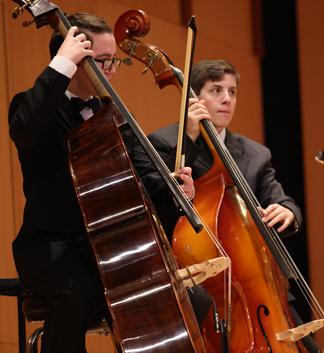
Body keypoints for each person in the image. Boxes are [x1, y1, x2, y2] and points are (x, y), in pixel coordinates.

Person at [8, 12, 195, 353]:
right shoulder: (33, 108)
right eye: (102, 61)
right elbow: (26, 128)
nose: (111, 70)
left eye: (114, 62)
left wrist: (177, 191)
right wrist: (61, 64)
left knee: (191, 295)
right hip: (54, 249)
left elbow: (145, 176)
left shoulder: (117, 115)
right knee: (77, 292)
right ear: (76, 60)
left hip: (111, 247)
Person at [134, 59, 320, 352]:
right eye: (216, 90)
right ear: (193, 98)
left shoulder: (255, 154)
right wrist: (192, 139)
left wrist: (286, 213)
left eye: (232, 92)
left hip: (258, 288)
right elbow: (162, 206)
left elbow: (283, 202)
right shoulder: (165, 144)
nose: (226, 99)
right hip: (198, 283)